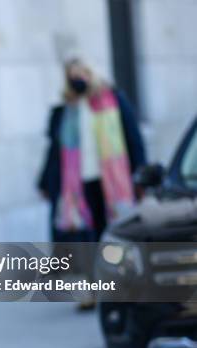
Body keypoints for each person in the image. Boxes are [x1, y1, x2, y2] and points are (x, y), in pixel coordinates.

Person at [37, 58, 146, 309]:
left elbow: (133, 138)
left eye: (82, 73)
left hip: (111, 183)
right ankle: (90, 291)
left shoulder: (113, 101)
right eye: (72, 75)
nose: (78, 78)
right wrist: (45, 182)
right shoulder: (64, 111)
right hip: (76, 186)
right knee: (84, 239)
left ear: (91, 73)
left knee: (111, 234)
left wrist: (140, 173)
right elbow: (54, 151)